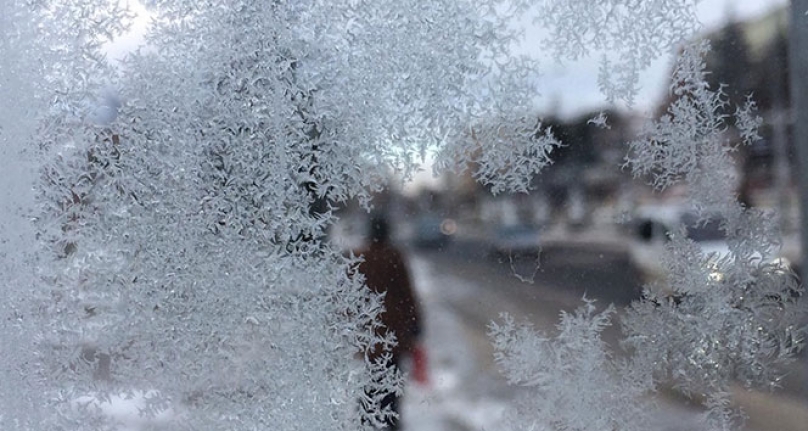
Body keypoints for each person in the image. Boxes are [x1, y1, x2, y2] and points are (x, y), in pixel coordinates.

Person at [355, 213, 422, 430]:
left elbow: (351, 297)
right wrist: (415, 326)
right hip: (393, 334)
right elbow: (407, 295)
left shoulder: (360, 258)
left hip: (370, 334)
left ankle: (368, 420)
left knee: (372, 381)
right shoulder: (394, 257)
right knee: (391, 385)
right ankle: (389, 422)